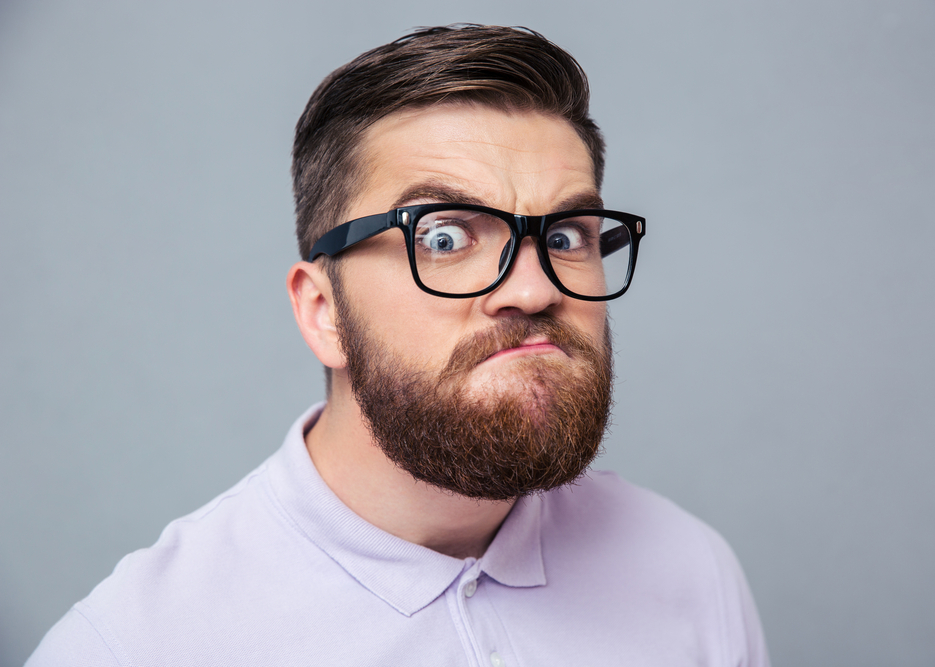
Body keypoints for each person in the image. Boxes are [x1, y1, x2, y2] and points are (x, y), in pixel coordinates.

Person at [28, 25, 769, 666]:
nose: (535, 289)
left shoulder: (688, 570)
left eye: (567, 236)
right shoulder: (134, 646)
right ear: (324, 312)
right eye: (444, 237)